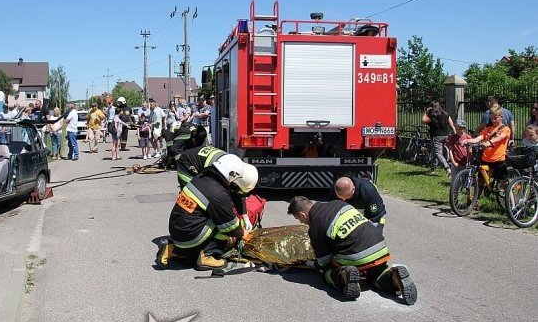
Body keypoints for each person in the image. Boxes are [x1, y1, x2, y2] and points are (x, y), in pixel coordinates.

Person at [287, 195, 417, 305]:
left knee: (327, 273)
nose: (301, 222)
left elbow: (323, 261)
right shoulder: (338, 203)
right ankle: (393, 277)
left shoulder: (315, 227)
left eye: (299, 219)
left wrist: (314, 264)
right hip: (380, 246)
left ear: (302, 214)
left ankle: (344, 275)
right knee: (376, 274)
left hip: (357, 256)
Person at [156, 154, 257, 270]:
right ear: (232, 175)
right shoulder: (217, 193)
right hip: (190, 234)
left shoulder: (202, 177)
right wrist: (244, 233)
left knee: (190, 259)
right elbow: (230, 227)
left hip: (178, 230)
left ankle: (172, 249)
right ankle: (207, 255)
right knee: (224, 224)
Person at [462, 106, 511, 190]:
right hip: (486, 159)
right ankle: (474, 202)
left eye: (495, 118)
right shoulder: (488, 129)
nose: (493, 120)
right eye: (491, 118)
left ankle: (512, 202)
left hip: (498, 159)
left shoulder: (505, 129)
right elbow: (479, 138)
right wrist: (468, 140)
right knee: (480, 181)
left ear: (501, 117)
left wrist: (489, 142)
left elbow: (500, 138)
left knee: (505, 184)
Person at [421, 102, 455, 175]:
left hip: (436, 137)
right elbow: (452, 125)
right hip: (446, 135)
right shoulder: (446, 115)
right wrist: (455, 134)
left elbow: (423, 120)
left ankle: (447, 168)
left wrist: (426, 112)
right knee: (434, 152)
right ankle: (432, 168)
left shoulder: (433, 116)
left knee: (438, 153)